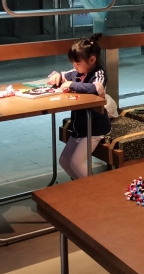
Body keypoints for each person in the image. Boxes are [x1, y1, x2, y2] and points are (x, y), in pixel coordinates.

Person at [48, 34, 111, 180]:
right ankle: (80, 187)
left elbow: (96, 89)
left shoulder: (98, 73)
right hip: (80, 128)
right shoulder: (77, 72)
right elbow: (62, 75)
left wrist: (72, 85)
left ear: (92, 60)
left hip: (95, 128)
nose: (74, 66)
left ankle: (94, 189)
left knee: (76, 163)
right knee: (64, 161)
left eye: (77, 63)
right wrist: (56, 77)